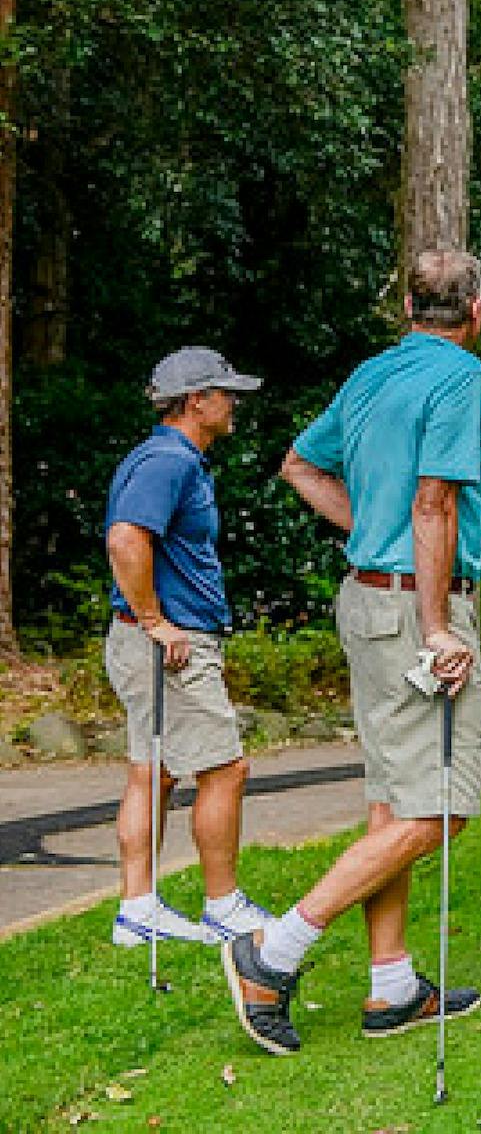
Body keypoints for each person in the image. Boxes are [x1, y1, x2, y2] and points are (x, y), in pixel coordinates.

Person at [221, 251, 481, 1054]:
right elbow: (435, 501)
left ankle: (392, 987)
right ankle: (273, 954)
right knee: (442, 806)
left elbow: (299, 464)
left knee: (392, 801)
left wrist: (372, 532)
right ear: (476, 311)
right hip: (417, 609)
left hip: (369, 599)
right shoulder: (461, 378)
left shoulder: (372, 375)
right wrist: (439, 625)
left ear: (408, 304)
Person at [103, 348, 275, 948]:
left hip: (153, 641)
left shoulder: (166, 458)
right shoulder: (169, 461)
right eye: (226, 394)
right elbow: (126, 538)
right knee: (225, 768)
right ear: (195, 400)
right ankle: (223, 904)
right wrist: (154, 620)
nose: (234, 405)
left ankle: (138, 908)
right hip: (170, 646)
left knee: (153, 773)